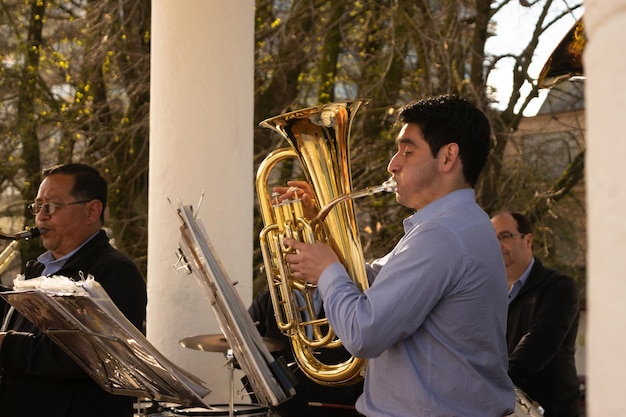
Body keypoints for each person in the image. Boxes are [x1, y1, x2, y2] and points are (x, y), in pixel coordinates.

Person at [278, 95, 515, 417]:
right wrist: (321, 238)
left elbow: (364, 334)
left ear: (448, 157)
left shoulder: (442, 234)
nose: (393, 164)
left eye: (407, 150)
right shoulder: (456, 224)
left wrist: (326, 270)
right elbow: (374, 282)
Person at [0, 163, 147, 417]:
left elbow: (79, 355)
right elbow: (23, 327)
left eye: (52, 206)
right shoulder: (39, 268)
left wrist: (4, 345)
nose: (41, 216)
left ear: (91, 211)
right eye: (38, 206)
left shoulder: (114, 272)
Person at [491, 211, 580, 417]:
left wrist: (497, 385)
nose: (498, 245)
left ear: (528, 239)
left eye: (505, 236)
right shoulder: (486, 295)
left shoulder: (559, 287)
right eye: (491, 238)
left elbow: (540, 341)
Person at [249, 288, 363, 417]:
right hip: (285, 408)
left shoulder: (347, 295)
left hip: (339, 405)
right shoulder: (266, 301)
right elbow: (244, 350)